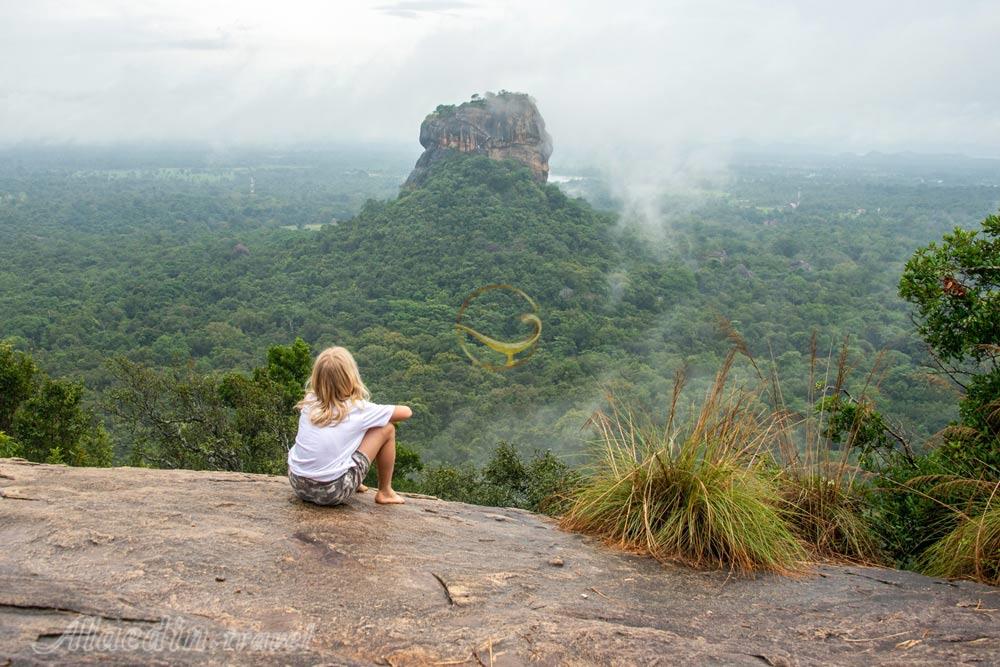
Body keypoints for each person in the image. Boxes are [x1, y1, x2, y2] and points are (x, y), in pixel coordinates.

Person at [287, 346, 412, 506]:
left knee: (348, 431)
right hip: (332, 491)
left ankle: (349, 475)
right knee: (386, 428)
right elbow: (406, 412)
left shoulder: (309, 401)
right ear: (350, 377)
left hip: (298, 483)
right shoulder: (358, 408)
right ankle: (385, 492)